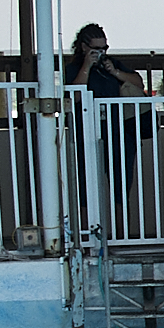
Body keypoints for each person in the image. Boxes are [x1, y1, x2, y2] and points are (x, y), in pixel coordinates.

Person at [65, 23, 148, 199]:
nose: (101, 53)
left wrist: (115, 72)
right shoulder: (74, 69)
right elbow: (73, 97)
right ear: (84, 47)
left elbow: (139, 83)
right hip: (86, 134)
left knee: (121, 190)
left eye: (104, 48)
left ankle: (121, 226)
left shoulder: (112, 64)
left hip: (118, 133)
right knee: (85, 190)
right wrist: (87, 66)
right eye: (96, 49)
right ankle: (89, 226)